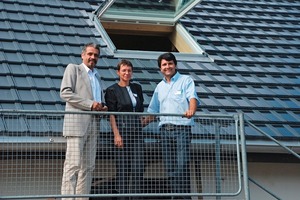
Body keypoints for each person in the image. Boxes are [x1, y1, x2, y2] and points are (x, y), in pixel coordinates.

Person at [142, 52, 200, 200]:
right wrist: (139, 125)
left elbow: (192, 98)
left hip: (182, 129)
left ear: (175, 65)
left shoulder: (185, 80)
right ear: (160, 68)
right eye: (164, 64)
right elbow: (153, 111)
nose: (167, 67)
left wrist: (191, 110)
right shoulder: (159, 87)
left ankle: (184, 198)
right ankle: (176, 197)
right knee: (170, 168)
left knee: (182, 166)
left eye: (170, 63)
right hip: (164, 131)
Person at [60, 43, 108, 200]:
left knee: (88, 166)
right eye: (90, 54)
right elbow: (65, 93)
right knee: (73, 165)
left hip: (94, 124)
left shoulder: (97, 76)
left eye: (96, 55)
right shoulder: (73, 69)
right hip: (77, 124)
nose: (93, 57)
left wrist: (101, 107)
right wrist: (90, 104)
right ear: (83, 55)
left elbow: (96, 100)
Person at [105, 59, 145, 200]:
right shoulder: (112, 90)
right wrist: (116, 135)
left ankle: (135, 197)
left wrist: (143, 122)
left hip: (137, 132)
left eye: (129, 70)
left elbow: (140, 110)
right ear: (118, 72)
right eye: (124, 70)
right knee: (123, 168)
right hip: (122, 131)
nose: (127, 73)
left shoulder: (137, 88)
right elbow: (111, 114)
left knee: (138, 168)